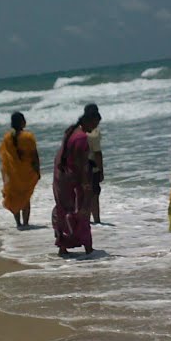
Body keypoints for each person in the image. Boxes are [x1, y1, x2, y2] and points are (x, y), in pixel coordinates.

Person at [52, 105, 100, 254]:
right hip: (73, 181)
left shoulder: (71, 131)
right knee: (81, 212)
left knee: (64, 211)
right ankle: (88, 249)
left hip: (61, 178)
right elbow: (82, 164)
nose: (96, 127)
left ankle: (63, 246)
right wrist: (86, 185)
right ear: (89, 120)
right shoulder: (81, 138)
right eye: (95, 123)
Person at [0, 111, 41, 229]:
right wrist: (37, 171)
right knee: (25, 197)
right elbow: (34, 156)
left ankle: (18, 223)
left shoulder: (7, 137)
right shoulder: (28, 137)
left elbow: (4, 156)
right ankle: (26, 223)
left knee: (14, 197)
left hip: (12, 173)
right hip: (26, 173)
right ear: (22, 122)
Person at [86, 103, 104, 224]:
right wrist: (101, 170)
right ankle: (97, 220)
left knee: (84, 195)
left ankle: (85, 220)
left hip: (80, 167)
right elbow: (97, 153)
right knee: (94, 195)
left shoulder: (79, 130)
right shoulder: (94, 133)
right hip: (92, 168)